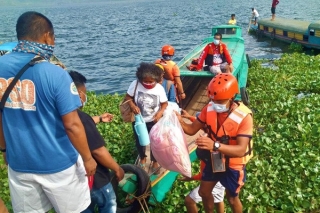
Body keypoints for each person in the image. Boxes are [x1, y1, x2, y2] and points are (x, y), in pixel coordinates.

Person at [0, 11, 97, 213]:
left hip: (20, 165)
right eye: (53, 38)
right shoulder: (55, 74)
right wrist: (88, 158)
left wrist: (4, 150)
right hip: (59, 166)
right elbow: (72, 124)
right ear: (46, 36)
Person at [176, 73, 253, 213]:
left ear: (231, 97)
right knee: (204, 192)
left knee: (232, 198)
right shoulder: (209, 108)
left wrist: (214, 145)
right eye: (214, 100)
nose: (216, 104)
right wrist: (180, 121)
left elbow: (241, 149)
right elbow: (192, 130)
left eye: (220, 101)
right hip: (215, 160)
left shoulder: (244, 117)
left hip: (233, 164)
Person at [69, 71, 125, 213]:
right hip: (95, 179)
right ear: (78, 94)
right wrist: (117, 168)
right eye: (84, 93)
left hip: (70, 181)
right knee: (108, 204)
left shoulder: (57, 116)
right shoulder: (81, 118)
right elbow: (98, 151)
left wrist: (99, 118)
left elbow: (76, 127)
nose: (84, 98)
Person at [124, 63, 168, 173]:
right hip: (139, 120)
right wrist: (133, 106)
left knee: (155, 142)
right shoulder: (135, 84)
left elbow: (164, 104)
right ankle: (142, 159)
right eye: (145, 81)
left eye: (151, 82)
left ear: (157, 79)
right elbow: (128, 97)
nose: (147, 84)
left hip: (154, 120)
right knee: (139, 141)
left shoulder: (159, 89)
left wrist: (160, 113)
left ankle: (154, 161)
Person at [180, 110, 225, 213]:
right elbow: (200, 124)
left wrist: (191, 178)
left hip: (216, 181)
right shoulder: (213, 135)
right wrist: (189, 117)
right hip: (219, 180)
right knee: (219, 199)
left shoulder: (215, 151)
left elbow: (210, 176)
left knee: (189, 201)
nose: (201, 135)